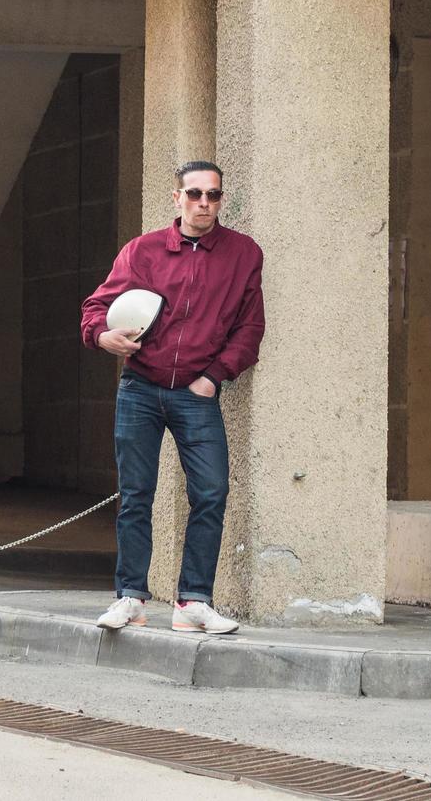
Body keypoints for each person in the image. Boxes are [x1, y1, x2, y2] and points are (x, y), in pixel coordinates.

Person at [80, 161, 264, 634]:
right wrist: (103, 337)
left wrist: (214, 376)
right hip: (140, 388)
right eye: (196, 193)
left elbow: (250, 328)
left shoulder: (243, 254)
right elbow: (97, 308)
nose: (205, 203)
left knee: (211, 491)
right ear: (177, 197)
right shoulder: (143, 251)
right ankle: (130, 600)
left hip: (197, 393)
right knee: (136, 496)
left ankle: (193, 603)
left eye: (214, 195)